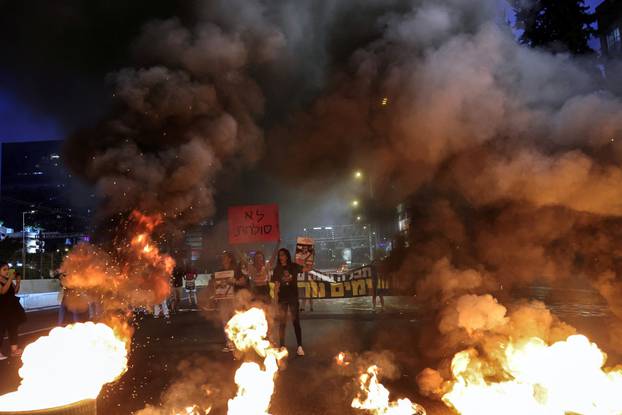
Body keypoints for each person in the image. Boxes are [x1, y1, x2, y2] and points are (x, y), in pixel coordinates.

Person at [272, 248, 312, 356]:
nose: (281, 257)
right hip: (282, 298)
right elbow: (276, 285)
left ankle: (299, 346)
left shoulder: (294, 266)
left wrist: (310, 257)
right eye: (280, 255)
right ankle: (282, 346)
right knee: (282, 323)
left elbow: (308, 268)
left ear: (287, 256)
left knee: (296, 322)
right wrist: (275, 299)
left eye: (283, 255)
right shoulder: (277, 269)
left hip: (293, 297)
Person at [0, 263, 26, 359]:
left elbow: (15, 291)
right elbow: (2, 291)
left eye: (8, 269)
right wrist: (10, 278)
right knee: (1, 330)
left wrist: (18, 282)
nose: (7, 271)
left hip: (12, 308)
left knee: (13, 328)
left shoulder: (8, 280)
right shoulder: (6, 280)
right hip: (2, 309)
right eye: (4, 269)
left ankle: (14, 350)